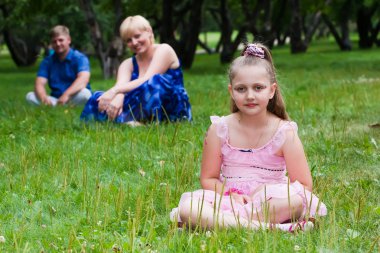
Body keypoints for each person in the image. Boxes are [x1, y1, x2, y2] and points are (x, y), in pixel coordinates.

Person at [170, 43, 327, 232]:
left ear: (271, 90)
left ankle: (222, 224)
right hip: (229, 201)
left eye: (258, 88)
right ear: (231, 91)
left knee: (295, 202)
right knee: (189, 208)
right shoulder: (219, 129)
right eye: (241, 89)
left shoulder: (284, 132)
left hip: (270, 202)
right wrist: (230, 194)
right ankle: (275, 229)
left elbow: (304, 184)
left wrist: (265, 192)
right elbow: (208, 178)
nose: (250, 95)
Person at [80, 15, 192, 124]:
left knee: (155, 81)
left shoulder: (164, 50)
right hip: (141, 107)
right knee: (99, 97)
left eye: (137, 36)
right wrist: (118, 97)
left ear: (149, 31)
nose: (134, 43)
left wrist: (114, 91)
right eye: (129, 40)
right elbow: (121, 85)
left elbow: (147, 79)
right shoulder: (127, 64)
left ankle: (126, 121)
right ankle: (129, 121)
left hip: (171, 108)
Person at [26, 25, 91, 106]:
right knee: (30, 96)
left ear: (69, 40)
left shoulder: (80, 58)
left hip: (74, 97)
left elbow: (83, 79)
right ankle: (57, 107)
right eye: (54, 41)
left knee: (85, 94)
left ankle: (61, 107)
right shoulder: (47, 61)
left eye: (61, 40)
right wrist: (43, 98)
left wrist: (66, 95)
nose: (58, 44)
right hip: (56, 100)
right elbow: (39, 83)